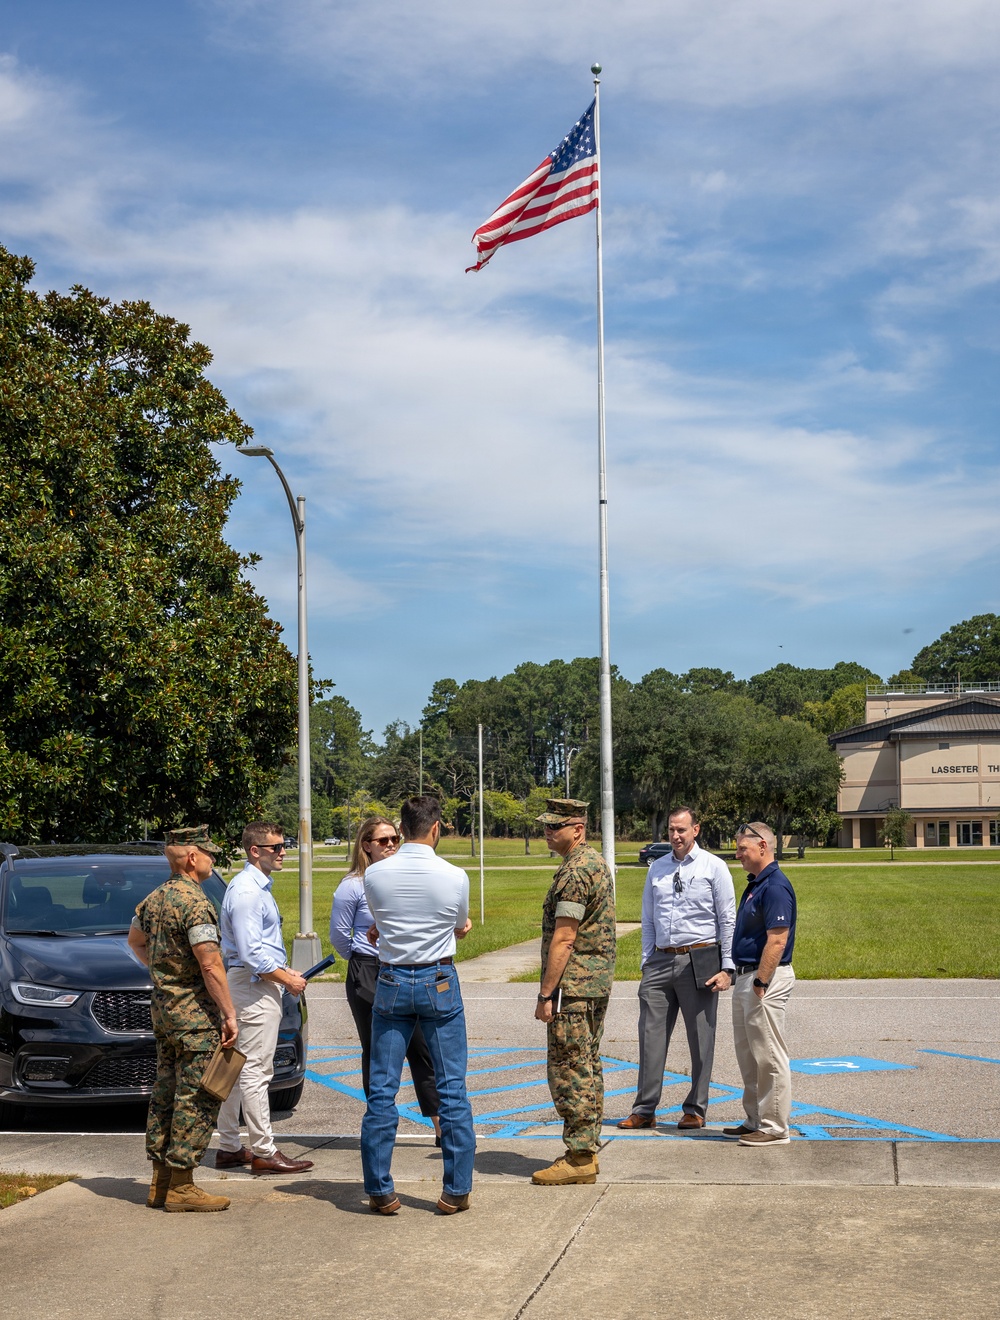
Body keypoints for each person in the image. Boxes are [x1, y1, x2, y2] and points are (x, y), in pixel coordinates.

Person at [360, 795, 475, 1215]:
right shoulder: (454, 875)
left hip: (391, 978)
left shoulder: (376, 874)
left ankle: (380, 1189)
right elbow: (458, 923)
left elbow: (382, 920)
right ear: (436, 828)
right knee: (451, 1089)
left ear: (402, 828)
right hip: (437, 977)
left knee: (383, 1089)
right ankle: (455, 1190)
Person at [127, 825, 238, 1212]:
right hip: (195, 1018)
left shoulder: (153, 900)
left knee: (165, 1094)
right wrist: (228, 1013)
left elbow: (135, 942)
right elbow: (210, 964)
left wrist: (165, 975)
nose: (212, 859)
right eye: (208, 852)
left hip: (165, 1013)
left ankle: (160, 1183)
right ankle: (182, 1186)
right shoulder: (196, 902)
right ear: (192, 857)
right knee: (197, 1096)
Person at [618, 805, 735, 1132]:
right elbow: (648, 918)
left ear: (695, 830)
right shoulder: (657, 868)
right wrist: (646, 960)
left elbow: (727, 920)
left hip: (700, 959)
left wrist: (728, 967)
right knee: (650, 1037)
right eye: (671, 830)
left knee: (701, 1040)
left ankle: (695, 1109)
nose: (675, 836)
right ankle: (644, 1109)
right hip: (659, 961)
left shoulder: (715, 867)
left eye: (682, 830)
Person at [330, 816, 442, 1142]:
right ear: (366, 845)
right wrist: (364, 955)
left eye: (395, 838)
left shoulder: (401, 877)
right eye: (383, 840)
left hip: (404, 968)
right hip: (367, 970)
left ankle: (440, 1126)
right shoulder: (352, 886)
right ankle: (381, 1127)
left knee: (421, 1047)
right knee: (378, 1050)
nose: (391, 844)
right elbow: (339, 937)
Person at [215, 821, 314, 1175]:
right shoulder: (247, 892)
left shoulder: (254, 887)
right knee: (256, 1071)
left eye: (283, 845)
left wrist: (283, 975)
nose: (283, 851)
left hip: (252, 983)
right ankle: (263, 1151)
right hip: (252, 985)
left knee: (238, 1066)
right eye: (276, 847)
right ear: (254, 851)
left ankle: (228, 1146)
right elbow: (251, 953)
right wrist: (286, 978)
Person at [531, 798, 616, 1187]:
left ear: (578, 828)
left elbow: (564, 938)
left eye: (556, 826)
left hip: (574, 986)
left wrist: (546, 994)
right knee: (587, 1063)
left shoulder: (575, 873)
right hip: (593, 983)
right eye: (546, 826)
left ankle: (580, 1156)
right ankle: (586, 1148)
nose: (548, 832)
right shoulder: (593, 862)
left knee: (570, 1069)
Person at [726, 821, 797, 1147]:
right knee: (750, 1055)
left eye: (743, 848)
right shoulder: (757, 883)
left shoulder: (775, 887)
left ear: (763, 847)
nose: (738, 854)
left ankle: (774, 1127)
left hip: (763, 979)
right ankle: (755, 1119)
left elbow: (777, 940)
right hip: (747, 977)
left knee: (768, 1055)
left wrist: (761, 981)